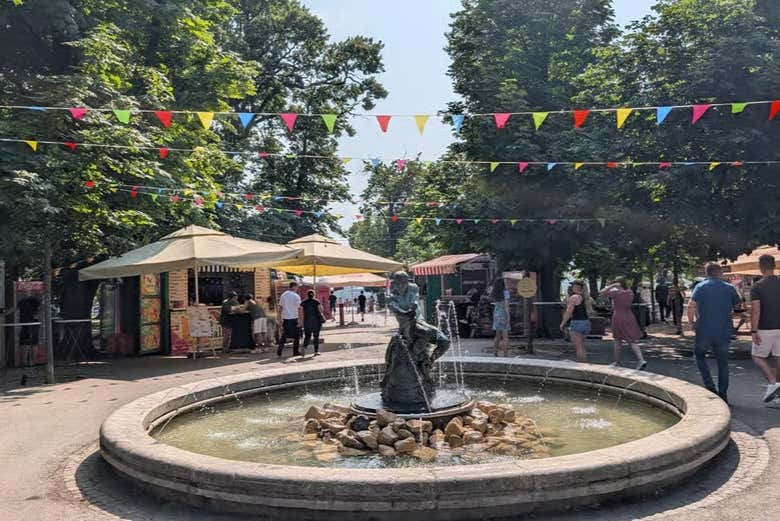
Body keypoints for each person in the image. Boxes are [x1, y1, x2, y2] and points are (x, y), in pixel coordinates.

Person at [687, 264, 741, 403]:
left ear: (707, 273)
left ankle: (710, 387)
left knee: (699, 355)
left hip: (704, 329)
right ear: (720, 273)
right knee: (723, 363)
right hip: (723, 330)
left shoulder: (700, 287)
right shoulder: (729, 288)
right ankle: (723, 394)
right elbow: (737, 305)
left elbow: (691, 306)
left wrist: (691, 322)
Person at [749, 254, 780, 406]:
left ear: (760, 267)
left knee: (757, 356)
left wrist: (753, 331)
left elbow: (756, 310)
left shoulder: (757, 286)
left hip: (765, 328)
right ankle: (779, 396)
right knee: (779, 359)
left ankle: (773, 383)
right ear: (774, 266)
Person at [601, 279, 647, 370]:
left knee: (617, 340)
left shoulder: (616, 294)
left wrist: (612, 285)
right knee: (632, 340)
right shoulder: (630, 292)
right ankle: (641, 360)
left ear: (618, 283)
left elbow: (602, 292)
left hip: (618, 316)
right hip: (629, 316)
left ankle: (616, 362)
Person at [561, 280, 590, 362]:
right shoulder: (584, 297)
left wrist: (562, 323)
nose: (571, 287)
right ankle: (584, 365)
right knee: (582, 346)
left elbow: (568, 312)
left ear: (576, 287)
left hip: (577, 322)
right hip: (585, 322)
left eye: (572, 285)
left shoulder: (574, 297)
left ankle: (581, 365)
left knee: (578, 347)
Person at [277, 282, 302, 357]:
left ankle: (280, 350)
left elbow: (280, 308)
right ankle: (295, 351)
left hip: (286, 318)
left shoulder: (283, 295)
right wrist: (300, 320)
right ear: (294, 287)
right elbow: (299, 308)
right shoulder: (296, 296)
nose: (297, 288)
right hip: (294, 318)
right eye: (297, 287)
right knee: (297, 336)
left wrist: (279, 318)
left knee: (284, 335)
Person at [300, 290, 325, 356]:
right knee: (316, 336)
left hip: (307, 321)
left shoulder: (303, 302)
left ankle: (304, 348)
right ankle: (316, 352)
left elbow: (300, 312)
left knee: (307, 336)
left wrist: (301, 321)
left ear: (307, 295)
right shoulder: (316, 301)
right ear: (313, 295)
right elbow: (321, 310)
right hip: (316, 321)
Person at [490, 278, 510, 357]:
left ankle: (495, 352)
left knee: (497, 335)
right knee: (505, 336)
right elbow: (506, 306)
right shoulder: (505, 293)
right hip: (503, 314)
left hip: (496, 314)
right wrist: (508, 317)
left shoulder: (495, 293)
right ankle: (505, 354)